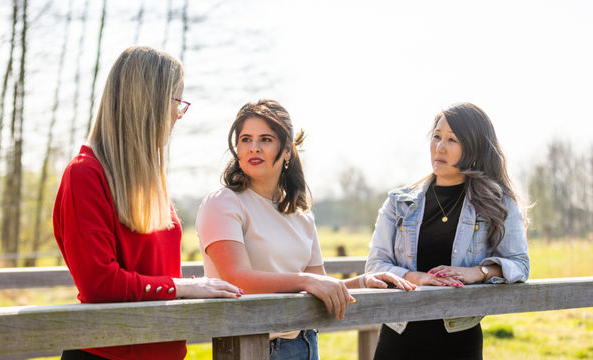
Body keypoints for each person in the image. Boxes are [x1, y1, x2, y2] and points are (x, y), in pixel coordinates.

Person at [53, 46, 241, 360]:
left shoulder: (145, 180)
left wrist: (197, 288)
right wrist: (181, 287)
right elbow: (100, 284)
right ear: (149, 102)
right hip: (110, 354)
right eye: (177, 102)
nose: (178, 115)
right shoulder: (85, 174)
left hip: (163, 349)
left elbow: (154, 270)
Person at [195, 99, 416, 360]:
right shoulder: (223, 203)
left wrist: (364, 282)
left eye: (265, 139)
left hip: (306, 343)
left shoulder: (301, 215)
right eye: (245, 139)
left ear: (287, 150)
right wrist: (305, 280)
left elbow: (319, 286)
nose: (253, 148)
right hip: (253, 348)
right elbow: (236, 279)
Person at [366, 102, 530, 359]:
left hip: (459, 338)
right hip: (399, 335)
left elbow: (519, 263)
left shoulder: (497, 202)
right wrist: (418, 278)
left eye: (452, 140)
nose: (439, 147)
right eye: (436, 137)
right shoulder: (399, 203)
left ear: (474, 147)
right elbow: (375, 265)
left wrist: (478, 272)